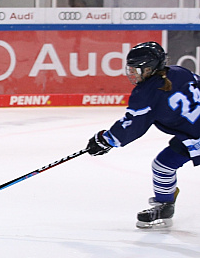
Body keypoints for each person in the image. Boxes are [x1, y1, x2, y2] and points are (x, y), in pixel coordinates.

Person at [86, 41, 200, 229]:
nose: (131, 73)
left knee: (164, 165)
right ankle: (164, 207)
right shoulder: (180, 72)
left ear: (150, 68)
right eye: (130, 69)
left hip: (194, 134)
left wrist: (105, 140)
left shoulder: (147, 92)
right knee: (163, 165)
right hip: (192, 136)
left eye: (136, 69)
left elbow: (133, 125)